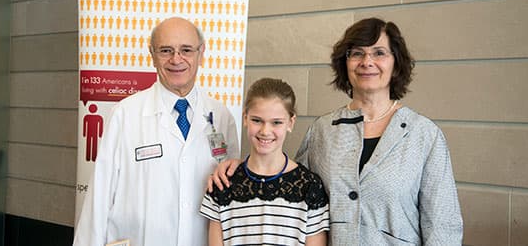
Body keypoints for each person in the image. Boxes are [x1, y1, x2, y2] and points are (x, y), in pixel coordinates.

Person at [209, 18, 463, 245]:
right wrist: (235, 167)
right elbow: (289, 186)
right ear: (345, 63)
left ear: (396, 63)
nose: (367, 62)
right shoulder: (323, 130)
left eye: (379, 53)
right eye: (357, 53)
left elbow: (443, 227)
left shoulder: (424, 136)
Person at [73, 17, 240, 246]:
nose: (176, 59)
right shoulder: (124, 114)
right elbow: (98, 199)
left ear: (201, 53)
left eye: (186, 50)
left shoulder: (222, 117)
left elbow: (230, 198)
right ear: (152, 54)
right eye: (166, 50)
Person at [200, 78, 329, 246]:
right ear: (245, 118)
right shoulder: (223, 183)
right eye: (257, 120)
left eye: (276, 122)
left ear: (291, 122)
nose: (265, 131)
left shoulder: (310, 187)